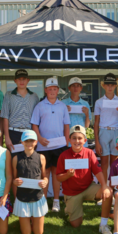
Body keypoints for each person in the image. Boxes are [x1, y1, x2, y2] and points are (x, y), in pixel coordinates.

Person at [56, 125, 113, 234]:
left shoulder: (89, 153)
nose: (77, 141)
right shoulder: (63, 155)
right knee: (76, 225)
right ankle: (70, 208)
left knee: (108, 192)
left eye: (80, 138)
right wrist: (67, 175)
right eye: (74, 138)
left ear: (85, 140)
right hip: (72, 192)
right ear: (69, 140)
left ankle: (103, 225)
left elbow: (98, 171)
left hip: (88, 187)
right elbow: (58, 177)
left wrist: (105, 186)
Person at [31, 77, 70, 212]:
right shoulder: (40, 106)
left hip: (59, 145)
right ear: (46, 90)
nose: (52, 91)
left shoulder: (62, 106)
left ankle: (56, 201)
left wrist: (66, 140)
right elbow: (34, 124)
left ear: (58, 90)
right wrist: (39, 138)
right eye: (50, 89)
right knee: (45, 173)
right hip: (44, 145)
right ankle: (43, 200)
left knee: (57, 172)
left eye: (55, 89)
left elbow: (66, 125)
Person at [12, 130, 48, 234]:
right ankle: (26, 220)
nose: (29, 143)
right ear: (22, 142)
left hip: (37, 197)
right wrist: (15, 181)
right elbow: (14, 178)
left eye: (31, 141)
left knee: (38, 233)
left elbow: (44, 176)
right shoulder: (16, 158)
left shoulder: (41, 157)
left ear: (36, 142)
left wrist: (45, 181)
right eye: (26, 141)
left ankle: (34, 219)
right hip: (22, 198)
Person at [94, 73, 118, 183]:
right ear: (103, 85)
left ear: (116, 86)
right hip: (103, 130)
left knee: (114, 161)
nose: (110, 87)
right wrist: (96, 141)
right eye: (107, 85)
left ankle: (113, 186)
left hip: (116, 131)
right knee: (104, 161)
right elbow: (96, 122)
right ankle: (104, 187)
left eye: (112, 85)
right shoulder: (99, 102)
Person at [1, 69, 39, 155]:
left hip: (29, 133)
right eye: (19, 79)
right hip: (13, 133)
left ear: (28, 80)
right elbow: (5, 117)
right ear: (15, 80)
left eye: (24, 79)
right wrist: (6, 137)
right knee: (14, 161)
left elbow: (37, 118)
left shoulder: (34, 96)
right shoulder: (9, 95)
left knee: (28, 160)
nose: (21, 81)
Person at [62, 77, 91, 148]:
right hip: (67, 140)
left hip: (81, 140)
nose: (75, 88)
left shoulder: (85, 104)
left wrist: (87, 115)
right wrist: (64, 112)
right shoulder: (63, 103)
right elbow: (58, 122)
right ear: (69, 88)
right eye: (73, 86)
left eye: (78, 86)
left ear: (81, 88)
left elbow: (87, 125)